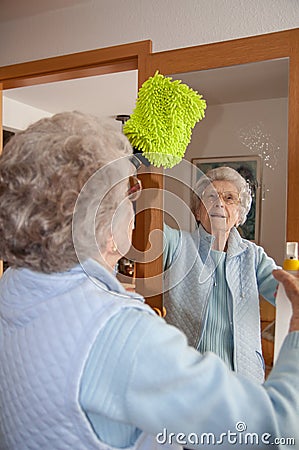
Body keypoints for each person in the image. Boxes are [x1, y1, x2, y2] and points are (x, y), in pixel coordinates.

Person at [0, 112, 298, 450]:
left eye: (228, 198)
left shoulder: (13, 285)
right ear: (106, 224)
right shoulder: (122, 332)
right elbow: (274, 430)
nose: (134, 207)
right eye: (130, 195)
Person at [163, 166, 278, 383]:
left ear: (239, 214)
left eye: (229, 198)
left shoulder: (252, 256)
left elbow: (282, 290)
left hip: (244, 378)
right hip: (188, 376)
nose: (219, 203)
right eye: (211, 197)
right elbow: (145, 229)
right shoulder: (178, 244)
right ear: (197, 211)